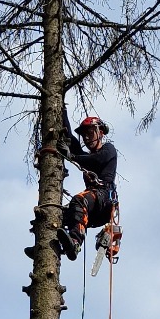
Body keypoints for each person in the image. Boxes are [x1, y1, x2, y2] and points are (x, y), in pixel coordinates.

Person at [56, 108, 118, 261]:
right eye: (84, 135)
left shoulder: (108, 150)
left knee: (78, 200)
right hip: (93, 208)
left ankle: (76, 242)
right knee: (59, 215)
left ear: (101, 132)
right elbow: (71, 139)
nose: (87, 138)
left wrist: (72, 157)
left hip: (104, 199)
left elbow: (97, 160)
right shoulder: (85, 157)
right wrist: (62, 108)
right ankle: (48, 247)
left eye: (90, 133)